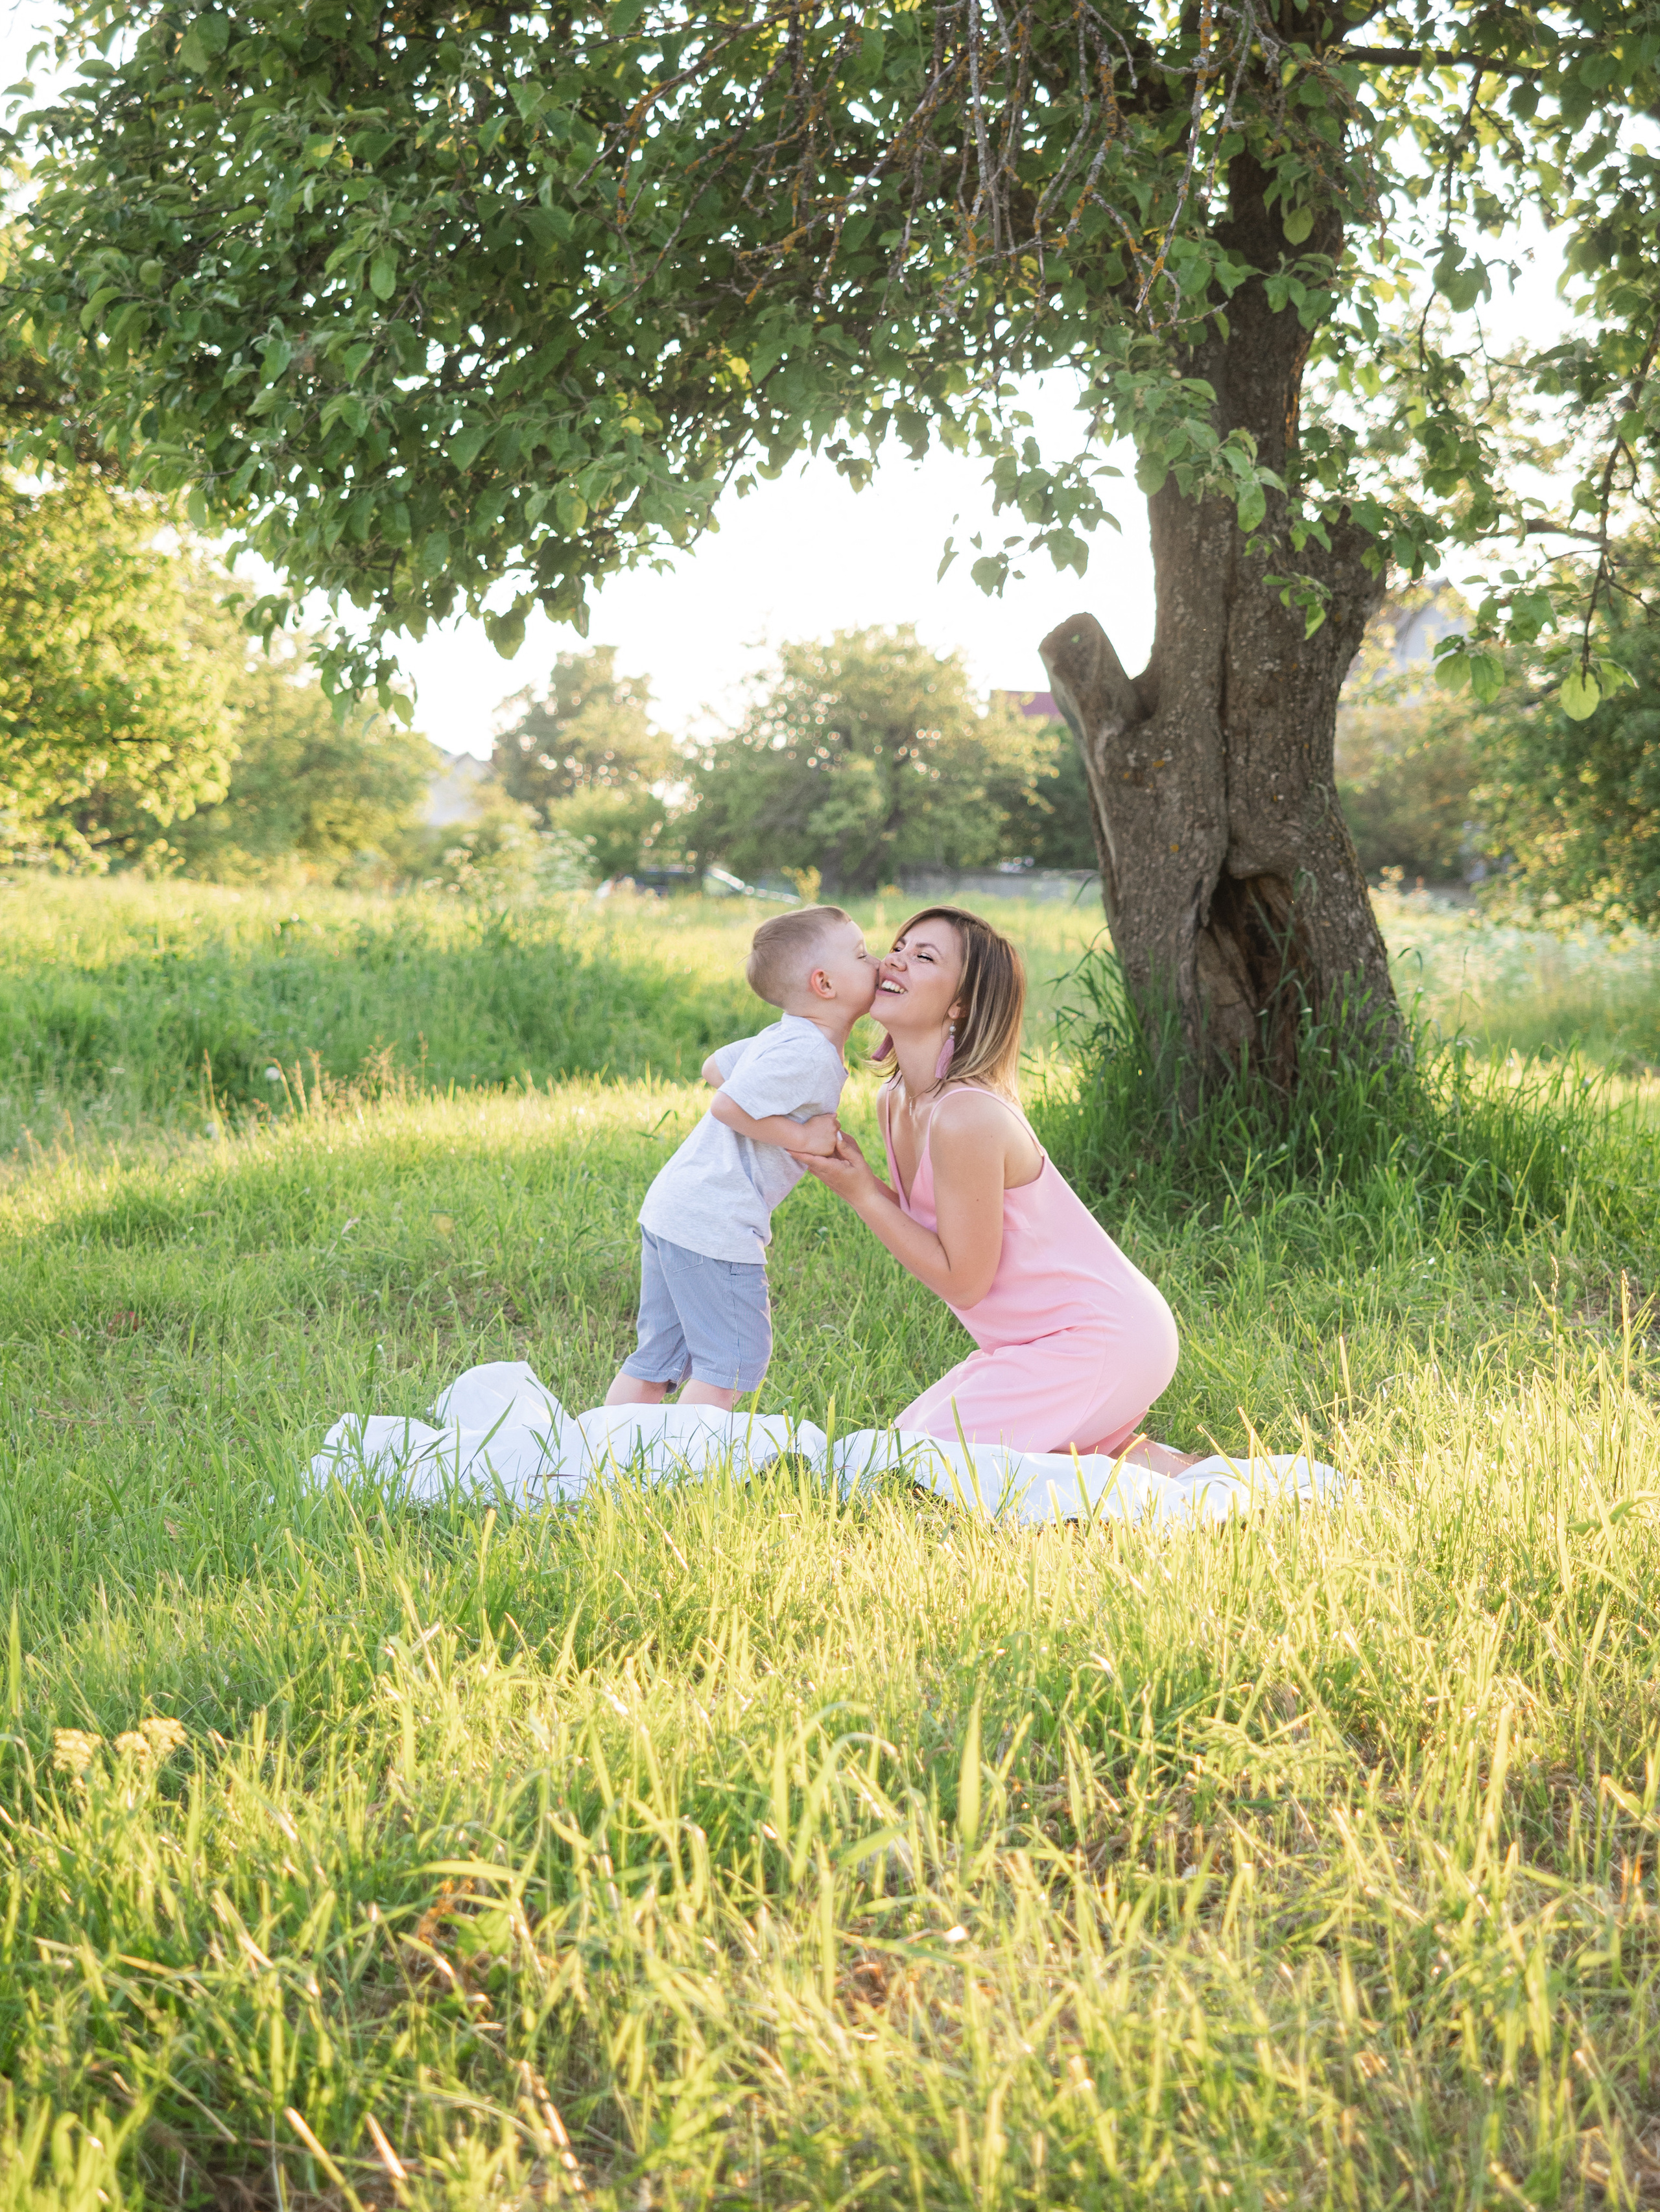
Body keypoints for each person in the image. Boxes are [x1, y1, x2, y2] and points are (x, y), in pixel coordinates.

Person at [804, 905, 1196, 1470]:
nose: (896, 959)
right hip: (1028, 1348)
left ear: (960, 1004)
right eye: (899, 945)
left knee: (902, 1466)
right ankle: (1135, 1461)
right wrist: (862, 1182)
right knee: (895, 1447)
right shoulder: (896, 1101)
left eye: (924, 956)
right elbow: (935, 1232)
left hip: (1098, 1339)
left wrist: (863, 1194)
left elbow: (964, 1283)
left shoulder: (967, 1115)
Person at [604, 904, 877, 1413]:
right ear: (824, 983)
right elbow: (726, 1103)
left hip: (677, 1208)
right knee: (731, 1361)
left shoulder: (786, 1035)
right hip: (715, 1220)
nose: (879, 962)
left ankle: (601, 1454)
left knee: (657, 1358)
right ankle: (686, 1469)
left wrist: (769, 1117)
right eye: (863, 955)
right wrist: (802, 1136)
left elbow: (714, 1067)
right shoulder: (807, 1052)